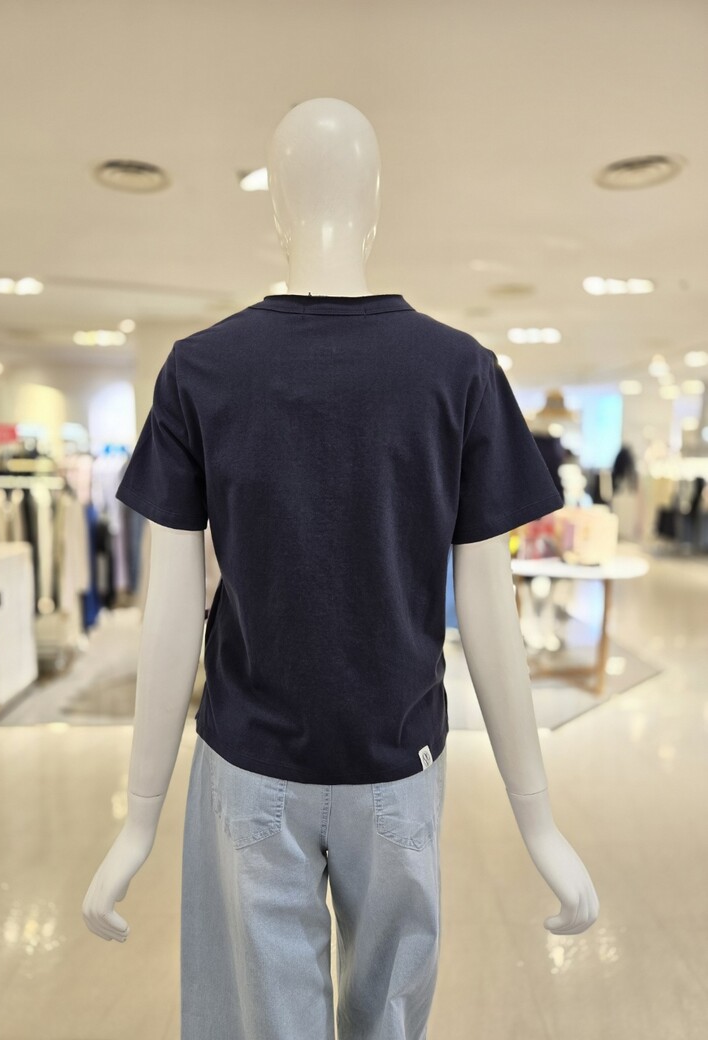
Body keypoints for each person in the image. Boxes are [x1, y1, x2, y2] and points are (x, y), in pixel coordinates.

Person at [82, 97, 599, 1040]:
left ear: (276, 209)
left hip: (249, 769)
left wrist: (139, 819)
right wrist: (539, 821)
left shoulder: (201, 370)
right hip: (397, 766)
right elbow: (490, 613)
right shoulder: (458, 370)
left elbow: (171, 611)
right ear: (375, 208)